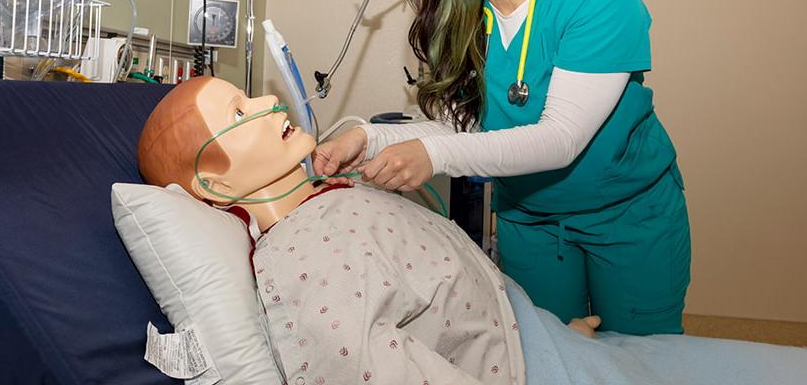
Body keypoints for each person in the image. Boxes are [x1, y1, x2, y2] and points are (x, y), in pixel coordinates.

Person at [137, 77, 807, 385]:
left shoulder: (330, 200)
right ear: (217, 183)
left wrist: (537, 327)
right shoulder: (301, 264)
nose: (269, 102)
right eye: (241, 110)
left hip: (539, 339)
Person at [314, 0, 690, 336]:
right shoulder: (466, 17)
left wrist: (432, 156)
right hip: (529, 219)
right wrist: (367, 138)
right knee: (541, 348)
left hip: (627, 216)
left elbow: (561, 138)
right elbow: (466, 128)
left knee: (644, 358)